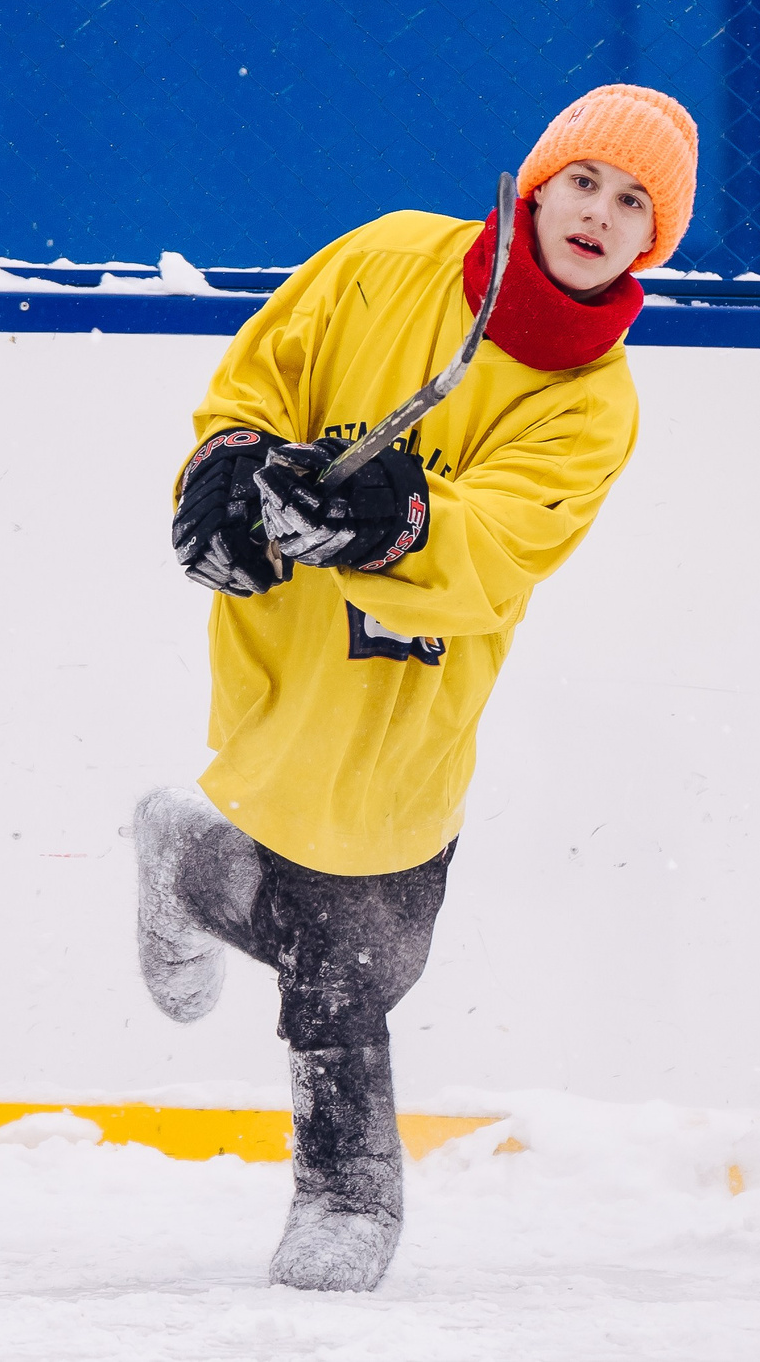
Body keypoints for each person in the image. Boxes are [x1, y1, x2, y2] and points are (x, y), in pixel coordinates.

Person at [141, 84, 697, 1292]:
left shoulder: (591, 405)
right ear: (534, 183)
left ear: (653, 240)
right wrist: (221, 474)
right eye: (584, 183)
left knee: (374, 948)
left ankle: (189, 859)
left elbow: (501, 549)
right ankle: (344, 1193)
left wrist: (402, 518)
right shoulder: (388, 257)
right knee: (337, 964)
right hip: (280, 646)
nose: (598, 213)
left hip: (410, 692)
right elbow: (259, 381)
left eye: (633, 203)